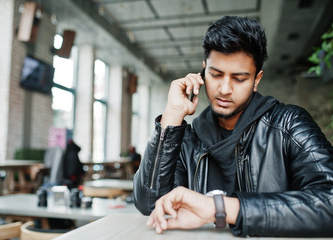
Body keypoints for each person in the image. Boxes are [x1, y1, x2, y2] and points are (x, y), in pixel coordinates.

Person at [133, 16, 333, 237]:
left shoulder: (288, 126)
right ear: (203, 71)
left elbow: (329, 201)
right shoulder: (188, 140)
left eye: (239, 78)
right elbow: (149, 204)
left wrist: (220, 209)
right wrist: (171, 116)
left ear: (257, 79)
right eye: (216, 74)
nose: (225, 89)